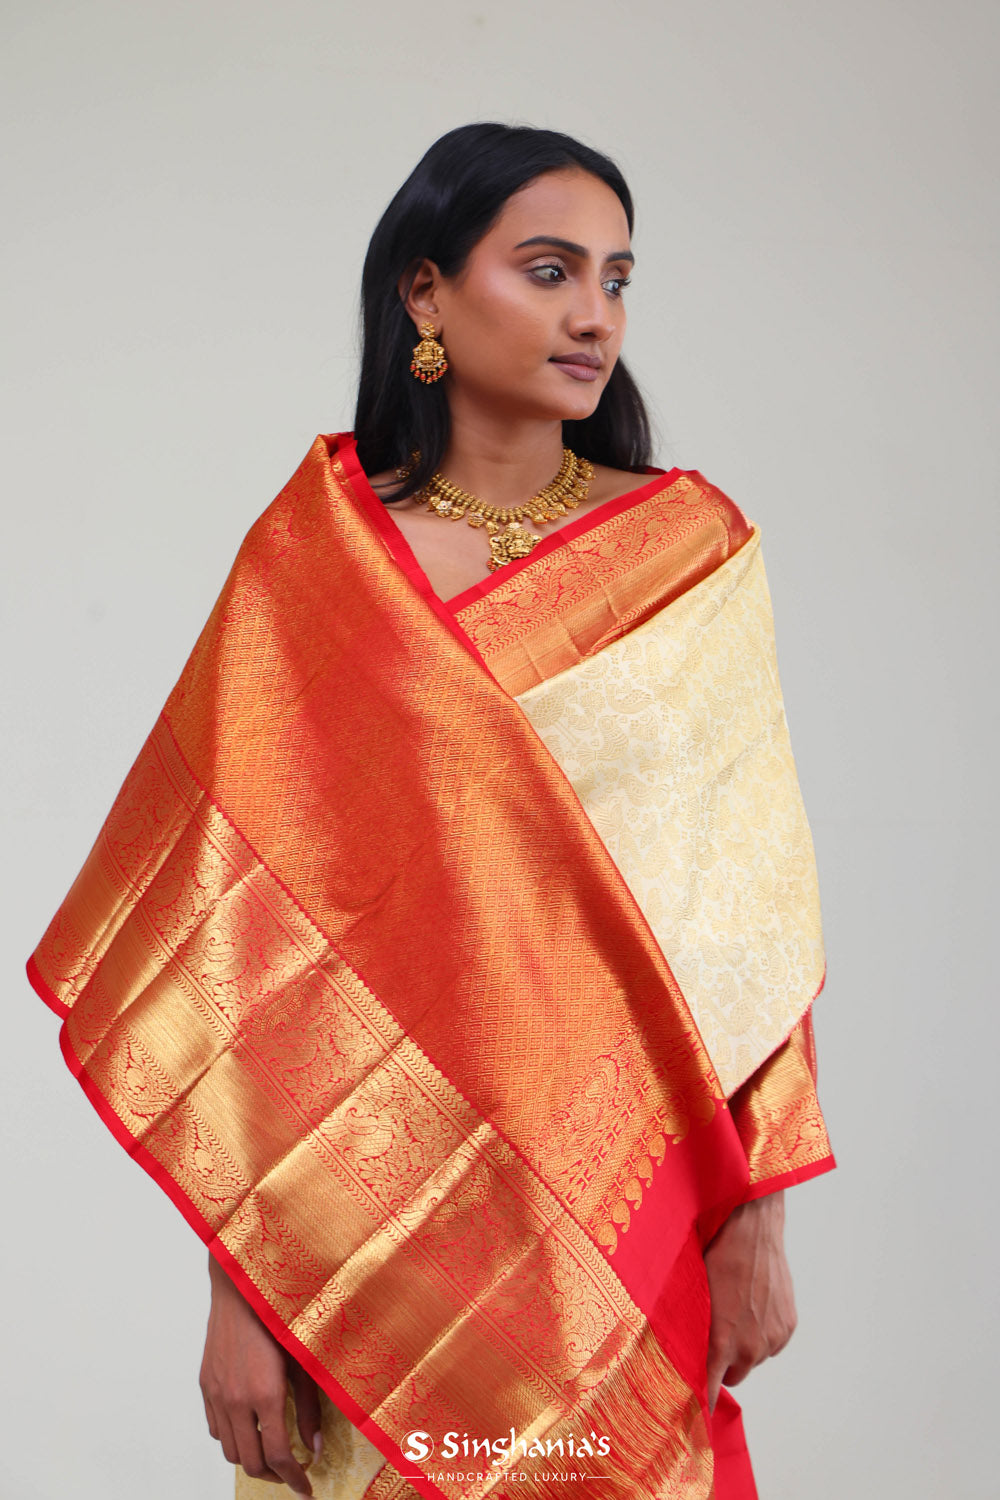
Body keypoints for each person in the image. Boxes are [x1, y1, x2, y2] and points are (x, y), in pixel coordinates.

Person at [27, 123, 834, 1500]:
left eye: (618, 279)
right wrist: (242, 1287)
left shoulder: (686, 554)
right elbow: (241, 966)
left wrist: (759, 1218)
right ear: (425, 293)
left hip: (631, 1193)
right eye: (549, 270)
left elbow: (750, 916)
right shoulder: (318, 557)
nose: (596, 315)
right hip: (364, 1228)